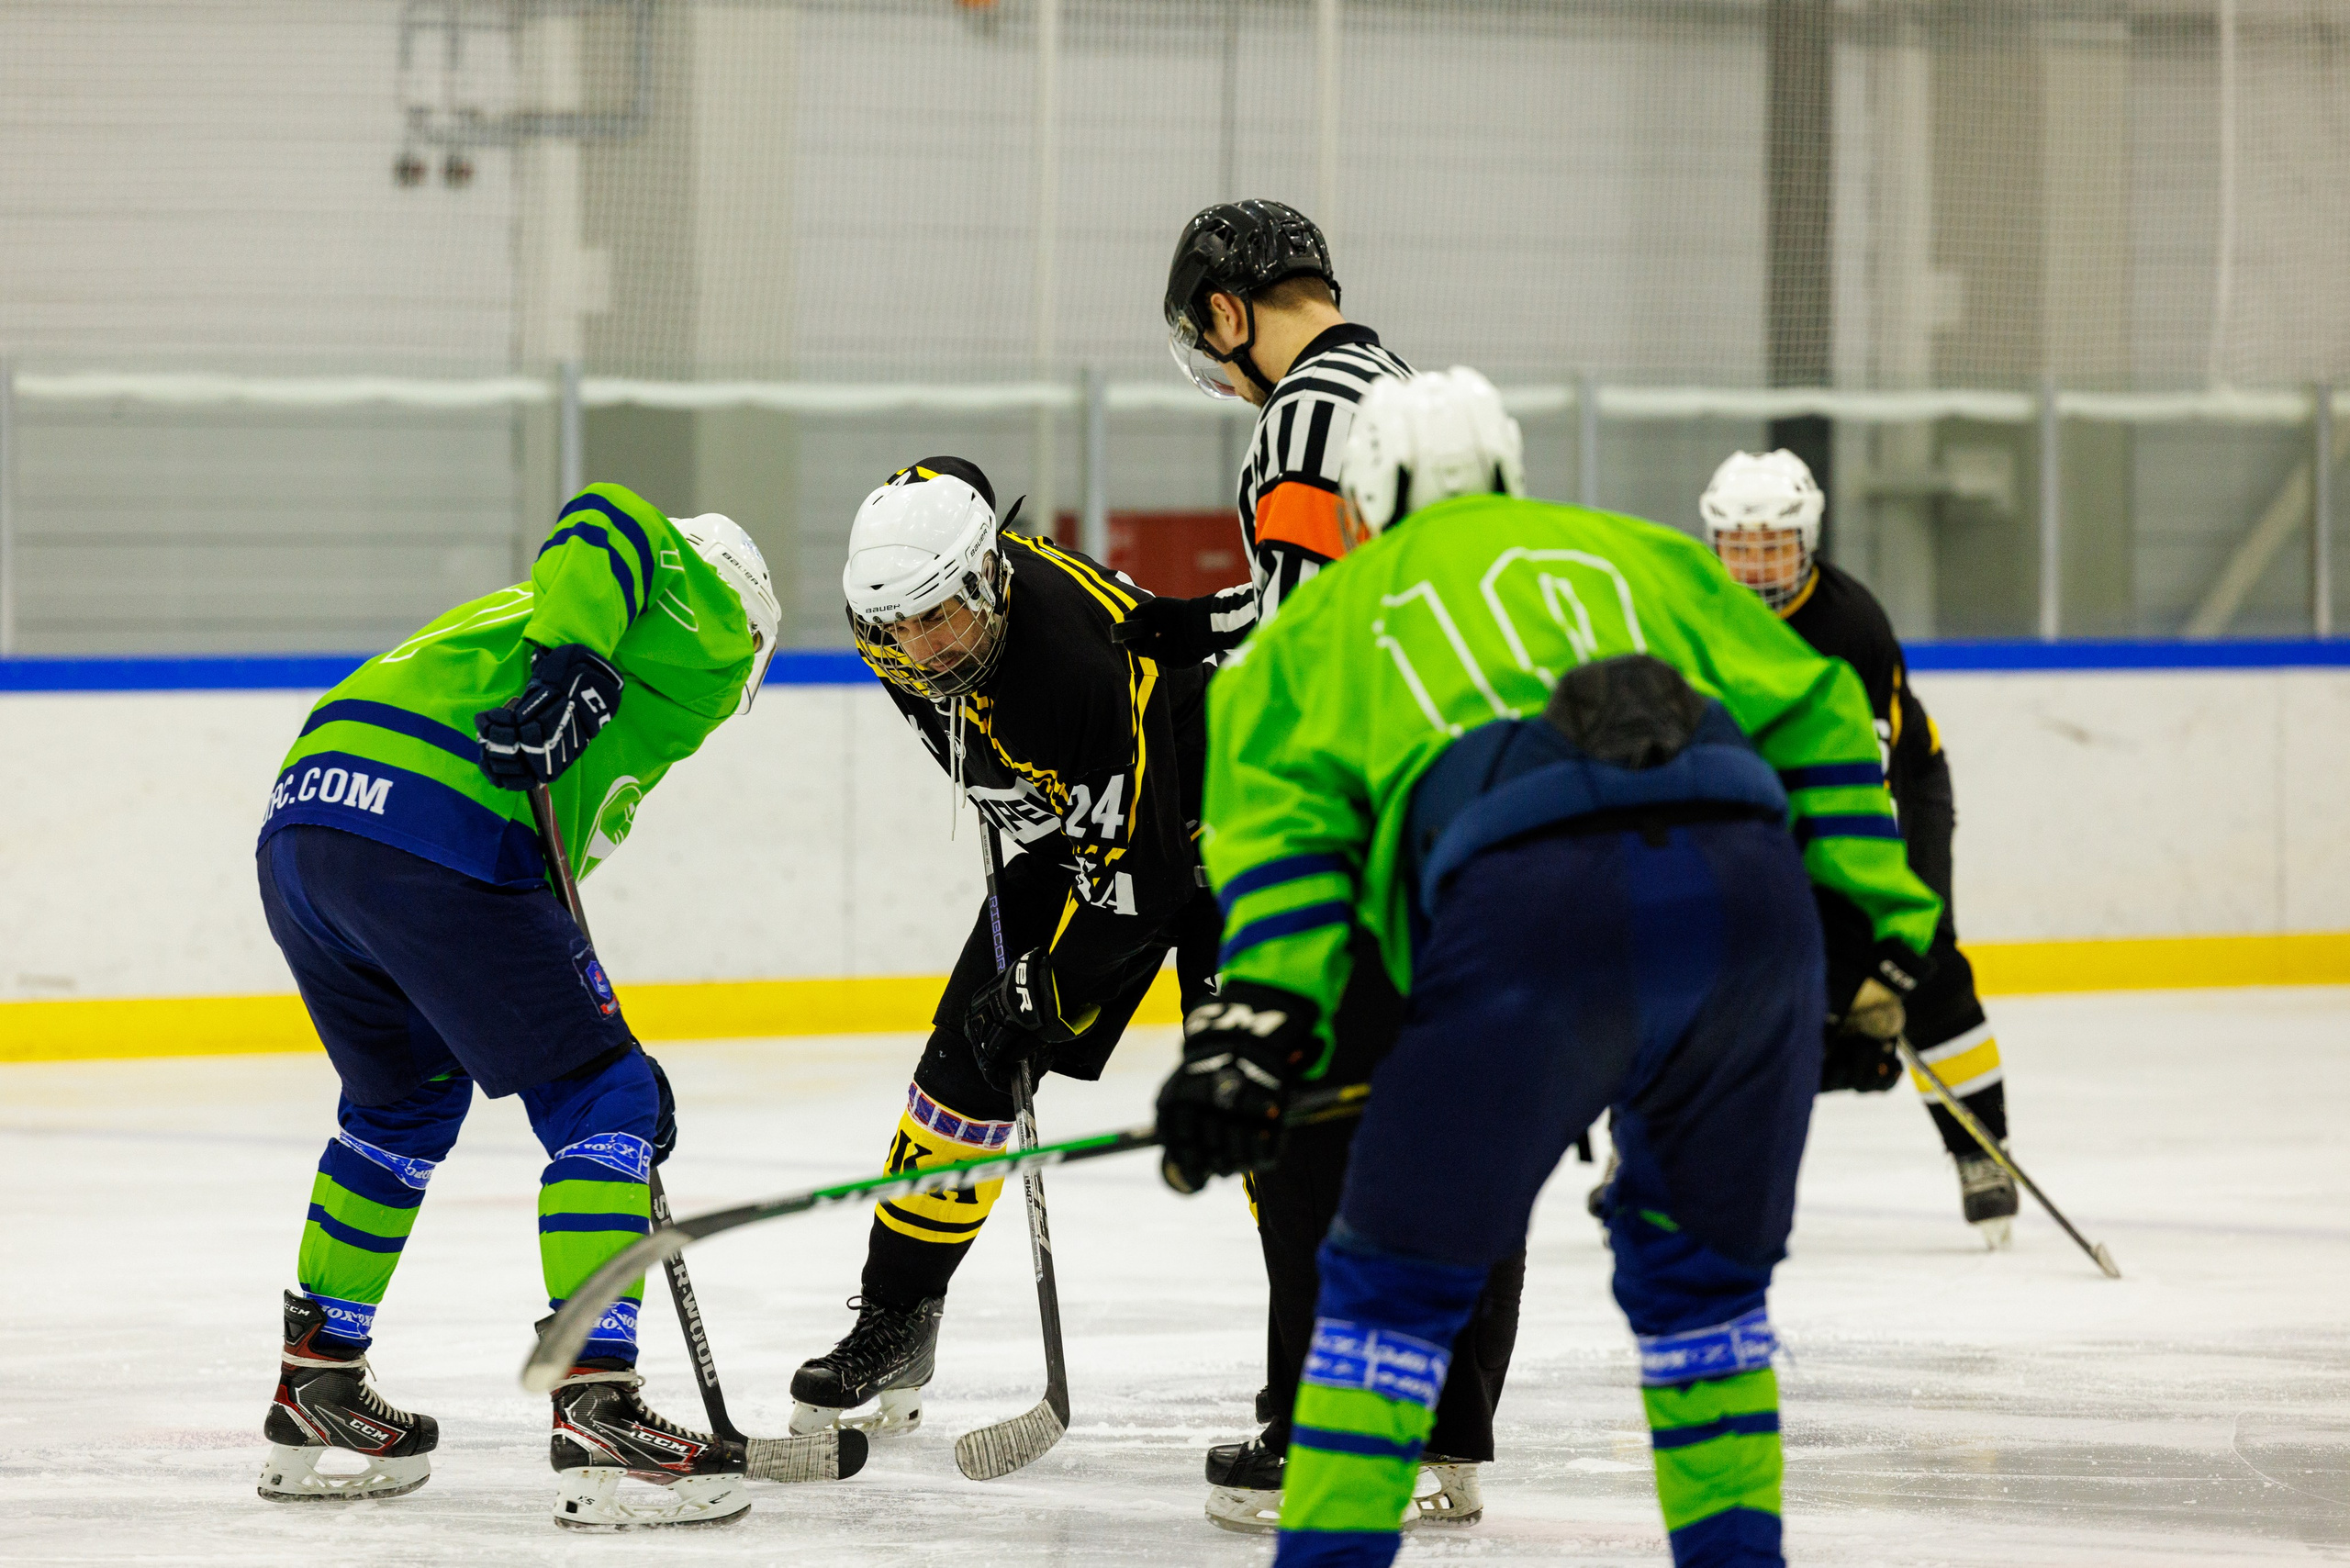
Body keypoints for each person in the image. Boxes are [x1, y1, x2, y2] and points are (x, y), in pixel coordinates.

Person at [1154, 369, 1942, 1568]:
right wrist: (1877, 935)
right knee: (1705, 1297)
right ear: (1513, 472)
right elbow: (1822, 714)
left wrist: (1255, 1027)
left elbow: (1286, 857)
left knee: (1385, 1296)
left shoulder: (1315, 624)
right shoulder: (1648, 559)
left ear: (1361, 505)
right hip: (1748, 913)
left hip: (1527, 921)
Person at [252, 485, 784, 1529]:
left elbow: (524, 923)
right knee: (605, 1102)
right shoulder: (708, 628)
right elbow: (613, 515)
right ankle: (598, 1404)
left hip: (307, 825)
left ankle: (317, 1380)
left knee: (401, 1107)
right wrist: (575, 662)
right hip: (431, 823)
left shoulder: (509, 627)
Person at [1121, 198, 1521, 1531]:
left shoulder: (1299, 415)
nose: (1220, 369)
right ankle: (1450, 1430)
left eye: (1208, 341)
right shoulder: (1401, 388)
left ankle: (1319, 1432)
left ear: (1229, 311)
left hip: (1365, 825)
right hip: (1476, 812)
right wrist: (1204, 621)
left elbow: (1309, 644)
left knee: (1309, 1137)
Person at [786, 457, 1225, 1437]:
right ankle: (897, 1317)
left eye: (941, 616)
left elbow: (1142, 883)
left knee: (1259, 1099)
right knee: (961, 1069)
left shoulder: (1068, 668)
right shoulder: (899, 627)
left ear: (989, 578)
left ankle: (1328, 1369)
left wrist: (1054, 990)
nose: (923, 648)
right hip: (1095, 837)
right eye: (898, 626)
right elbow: (951, 474)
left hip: (1231, 831)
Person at [1699, 450, 2020, 1244]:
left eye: (1773, 545)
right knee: (1693, 972)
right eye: (1739, 546)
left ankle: (1981, 1150)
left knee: (1926, 960)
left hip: (1890, 793)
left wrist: (1877, 955)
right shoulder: (1692, 613)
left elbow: (1864, 803)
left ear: (1806, 542)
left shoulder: (1849, 627)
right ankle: (1653, 1155)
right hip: (1753, 809)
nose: (1755, 565)